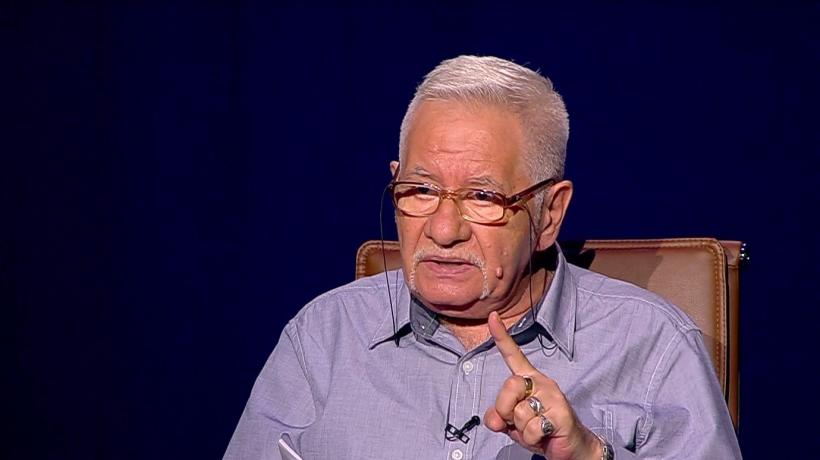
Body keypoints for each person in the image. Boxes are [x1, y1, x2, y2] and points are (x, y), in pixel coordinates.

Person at [224, 55, 741, 459]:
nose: (443, 230)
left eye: (482, 197)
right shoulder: (323, 337)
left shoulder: (653, 346)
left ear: (549, 214)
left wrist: (589, 455)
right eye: (421, 190)